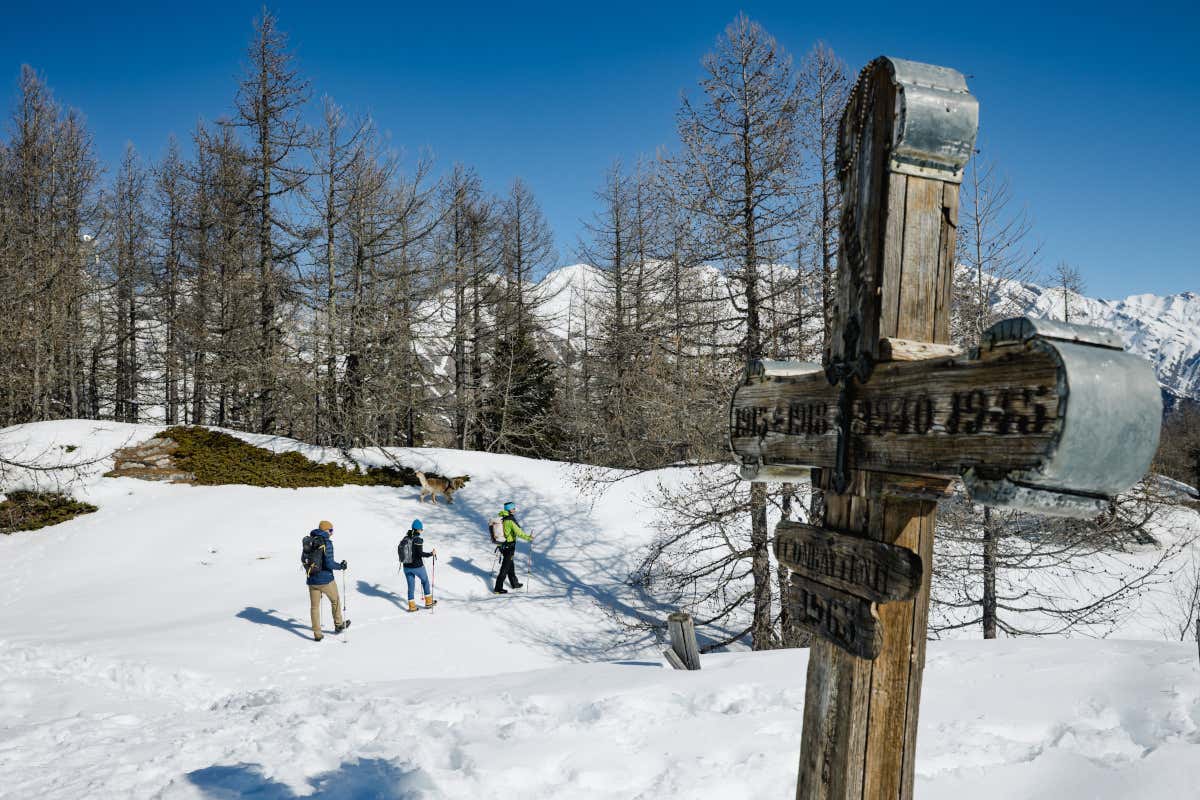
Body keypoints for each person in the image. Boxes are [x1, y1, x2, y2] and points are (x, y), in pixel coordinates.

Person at [306, 520, 349, 641]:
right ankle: (338, 624)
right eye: (331, 530)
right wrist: (341, 566)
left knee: (314, 607)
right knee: (335, 600)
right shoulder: (326, 542)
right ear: (325, 530)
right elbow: (329, 563)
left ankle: (317, 634)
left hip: (312, 580)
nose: (332, 533)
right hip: (325, 580)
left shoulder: (310, 541)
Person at [494, 501, 532, 594]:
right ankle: (498, 589)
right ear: (509, 509)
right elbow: (519, 532)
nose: (515, 509)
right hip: (509, 547)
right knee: (505, 568)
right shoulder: (510, 520)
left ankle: (514, 583)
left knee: (510, 565)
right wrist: (529, 538)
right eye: (513, 508)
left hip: (502, 546)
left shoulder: (501, 517)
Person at [401, 519, 437, 612]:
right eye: (421, 529)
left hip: (406, 566)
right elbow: (420, 554)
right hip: (417, 566)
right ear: (418, 529)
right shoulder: (418, 539)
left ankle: (411, 606)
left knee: (411, 586)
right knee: (425, 581)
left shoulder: (406, 538)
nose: (422, 531)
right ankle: (428, 602)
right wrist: (431, 554)